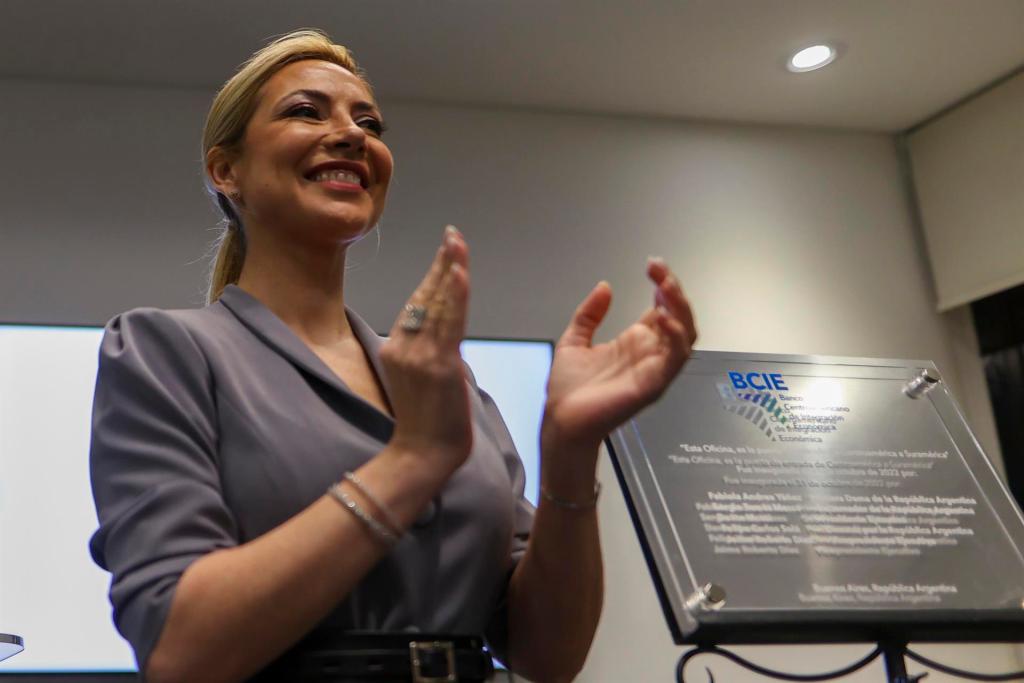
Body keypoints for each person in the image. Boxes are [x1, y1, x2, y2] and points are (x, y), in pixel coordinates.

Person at [88, 29, 697, 683]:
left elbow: (547, 657)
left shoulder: (445, 382)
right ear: (225, 170)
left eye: (369, 123)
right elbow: (181, 648)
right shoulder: (165, 352)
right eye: (306, 111)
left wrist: (571, 448)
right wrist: (412, 460)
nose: (352, 135)